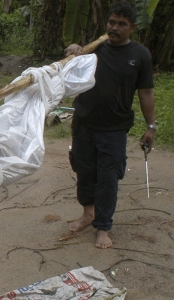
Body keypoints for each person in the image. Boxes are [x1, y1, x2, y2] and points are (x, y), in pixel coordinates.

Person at [64, 1, 155, 249]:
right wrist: (73, 51)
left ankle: (103, 227)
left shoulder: (140, 56)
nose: (114, 28)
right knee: (84, 171)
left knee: (108, 178)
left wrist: (151, 127)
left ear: (132, 27)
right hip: (84, 123)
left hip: (114, 129)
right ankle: (88, 214)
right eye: (111, 22)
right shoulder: (94, 49)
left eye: (121, 24)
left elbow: (146, 92)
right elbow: (70, 70)